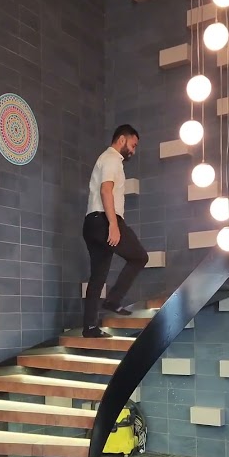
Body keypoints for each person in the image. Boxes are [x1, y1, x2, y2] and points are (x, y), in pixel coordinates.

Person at [81, 124, 149, 338]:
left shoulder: (104, 159)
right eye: (133, 145)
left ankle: (90, 327)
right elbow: (106, 190)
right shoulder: (111, 159)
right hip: (104, 220)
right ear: (122, 139)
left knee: (98, 276)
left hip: (91, 223)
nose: (133, 150)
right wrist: (113, 224)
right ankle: (113, 300)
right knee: (139, 257)